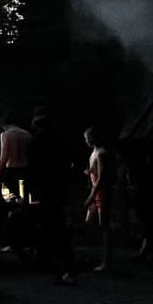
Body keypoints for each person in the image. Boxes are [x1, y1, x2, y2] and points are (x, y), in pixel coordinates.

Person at [29, 106, 77, 285]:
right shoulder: (60, 142)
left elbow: (32, 169)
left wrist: (34, 189)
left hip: (45, 191)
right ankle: (67, 267)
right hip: (60, 190)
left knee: (51, 229)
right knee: (62, 230)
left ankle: (59, 267)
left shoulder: (35, 144)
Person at [83, 126, 114, 271]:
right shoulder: (93, 153)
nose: (86, 140)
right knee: (89, 222)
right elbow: (96, 172)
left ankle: (107, 261)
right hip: (95, 190)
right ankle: (97, 256)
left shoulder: (101, 153)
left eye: (87, 137)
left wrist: (91, 196)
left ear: (93, 137)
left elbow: (102, 177)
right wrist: (89, 172)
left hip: (101, 192)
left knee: (104, 226)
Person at [0, 114, 32, 195]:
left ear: (4, 125)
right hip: (27, 171)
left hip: (12, 171)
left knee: (12, 199)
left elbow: (3, 158)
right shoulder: (28, 134)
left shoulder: (6, 134)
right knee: (27, 198)